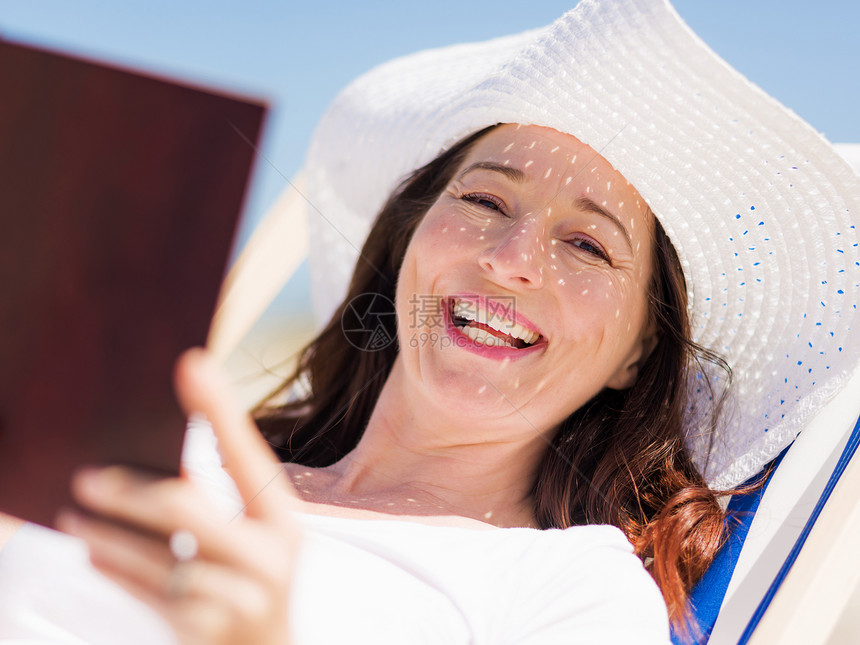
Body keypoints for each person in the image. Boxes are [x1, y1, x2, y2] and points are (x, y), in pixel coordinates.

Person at [1, 0, 858, 643]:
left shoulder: (569, 595)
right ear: (409, 240)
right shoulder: (158, 446)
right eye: (485, 198)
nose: (514, 256)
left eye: (589, 247)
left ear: (638, 352)